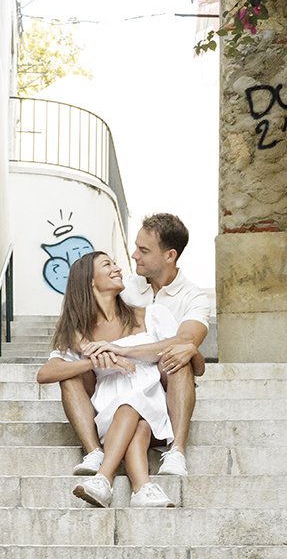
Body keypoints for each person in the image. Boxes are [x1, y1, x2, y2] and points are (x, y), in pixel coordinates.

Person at [63, 213, 209, 478]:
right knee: (70, 370)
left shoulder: (193, 298)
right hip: (115, 382)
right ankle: (95, 451)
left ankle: (176, 451)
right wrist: (88, 348)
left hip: (160, 384)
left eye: (143, 250)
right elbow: (79, 315)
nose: (133, 256)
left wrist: (119, 349)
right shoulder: (124, 286)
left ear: (170, 256)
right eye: (135, 247)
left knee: (179, 357)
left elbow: (186, 342)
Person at [36, 252, 179, 508]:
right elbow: (44, 374)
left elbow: (180, 347)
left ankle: (103, 478)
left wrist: (123, 353)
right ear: (90, 281)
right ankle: (142, 488)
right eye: (108, 264)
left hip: (149, 397)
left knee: (134, 406)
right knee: (137, 423)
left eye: (115, 263)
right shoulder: (79, 331)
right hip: (108, 408)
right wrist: (97, 360)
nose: (118, 268)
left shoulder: (150, 314)